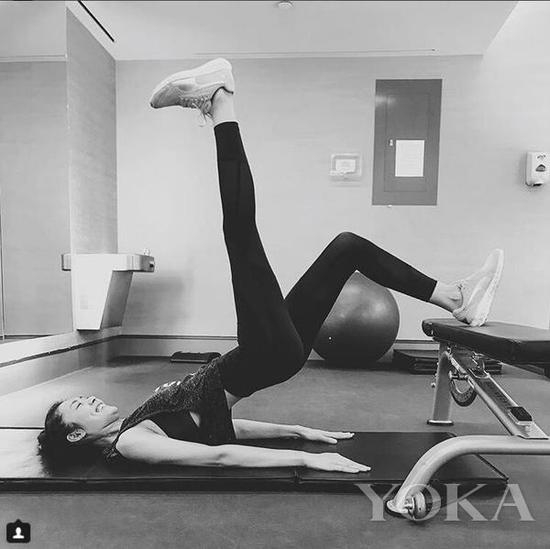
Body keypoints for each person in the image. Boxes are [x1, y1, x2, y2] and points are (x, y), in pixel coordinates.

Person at [38, 58, 504, 473]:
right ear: (76, 434)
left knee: (346, 247)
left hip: (273, 354)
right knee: (240, 232)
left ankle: (453, 297)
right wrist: (304, 459)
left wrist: (295, 431)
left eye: (82, 396)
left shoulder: (136, 423)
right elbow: (218, 455)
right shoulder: (131, 442)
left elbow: (220, 427)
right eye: (80, 406)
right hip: (264, 353)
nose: (90, 398)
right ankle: (219, 102)